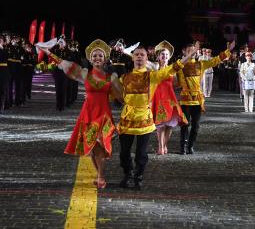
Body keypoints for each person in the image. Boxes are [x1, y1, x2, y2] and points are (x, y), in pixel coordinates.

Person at [38, 39, 121, 189]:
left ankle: (101, 177)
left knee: (101, 147)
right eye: (94, 56)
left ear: (105, 59)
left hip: (104, 116)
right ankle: (99, 175)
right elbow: (63, 64)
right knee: (91, 148)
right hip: (88, 114)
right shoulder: (84, 74)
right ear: (90, 58)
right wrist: (48, 52)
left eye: (100, 56)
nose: (97, 58)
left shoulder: (112, 77)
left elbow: (122, 96)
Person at [117, 44, 197, 189]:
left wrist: (188, 57)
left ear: (147, 58)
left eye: (142, 55)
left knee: (141, 153)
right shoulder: (125, 78)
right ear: (133, 58)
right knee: (123, 153)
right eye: (136, 55)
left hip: (144, 120)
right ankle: (128, 173)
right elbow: (114, 94)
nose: (139, 57)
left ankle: (138, 177)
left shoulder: (153, 76)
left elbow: (173, 68)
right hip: (127, 120)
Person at [177, 40, 235, 155]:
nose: (191, 53)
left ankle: (191, 146)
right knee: (185, 124)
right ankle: (183, 146)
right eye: (189, 51)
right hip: (185, 99)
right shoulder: (180, 65)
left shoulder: (201, 64)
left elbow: (215, 60)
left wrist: (228, 51)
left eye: (193, 50)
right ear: (184, 52)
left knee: (196, 125)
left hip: (197, 99)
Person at [151, 40, 188, 155]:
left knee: (169, 124)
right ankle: (160, 146)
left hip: (170, 97)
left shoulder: (173, 69)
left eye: (167, 54)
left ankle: (165, 144)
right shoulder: (155, 67)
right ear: (158, 56)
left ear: (169, 56)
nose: (165, 56)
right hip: (158, 97)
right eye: (162, 54)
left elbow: (176, 83)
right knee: (160, 125)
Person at [0, 36, 9, 114]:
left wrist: (1, 48)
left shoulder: (6, 49)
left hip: (4, 71)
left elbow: (6, 56)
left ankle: (1, 106)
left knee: (3, 89)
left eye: (1, 40)